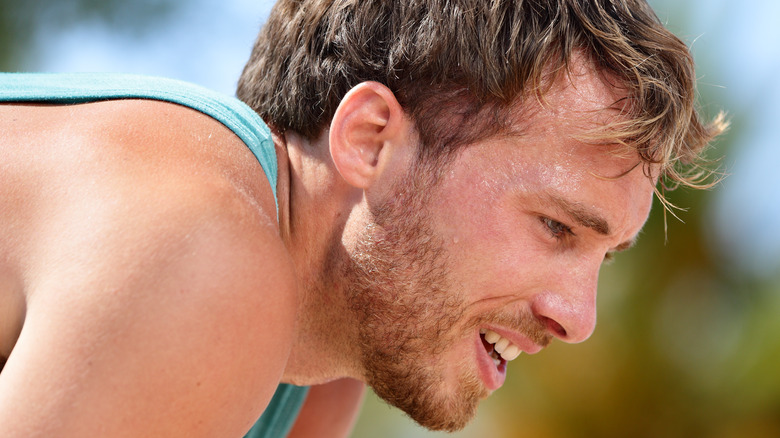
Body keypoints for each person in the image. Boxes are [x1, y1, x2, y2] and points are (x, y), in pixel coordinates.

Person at [0, 0, 726, 436]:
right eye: (557, 228)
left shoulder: (321, 367)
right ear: (371, 140)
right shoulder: (204, 252)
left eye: (607, 256)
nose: (580, 318)